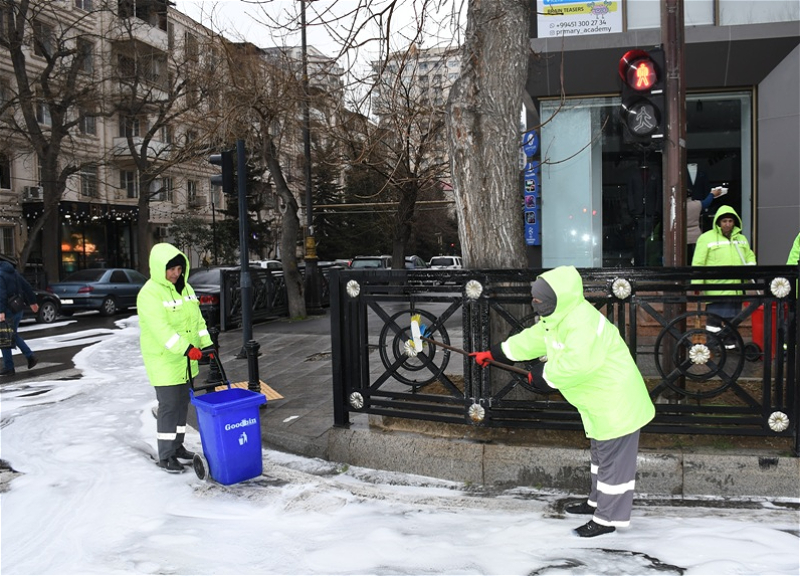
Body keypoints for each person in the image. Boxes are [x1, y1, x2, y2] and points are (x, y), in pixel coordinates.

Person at [469, 265, 655, 538]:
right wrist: (496, 352)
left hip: (617, 401)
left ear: (559, 298)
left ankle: (608, 519)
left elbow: (577, 364)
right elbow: (534, 339)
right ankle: (596, 501)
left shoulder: (582, 323)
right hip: (599, 401)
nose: (536, 304)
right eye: (534, 298)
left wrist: (544, 376)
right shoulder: (557, 317)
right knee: (601, 457)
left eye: (540, 300)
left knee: (614, 463)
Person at [138, 243, 213, 473]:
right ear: (160, 268)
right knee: (169, 407)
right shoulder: (149, 293)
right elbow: (162, 331)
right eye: (171, 269)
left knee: (182, 405)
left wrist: (207, 343)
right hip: (165, 361)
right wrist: (186, 348)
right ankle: (166, 455)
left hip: (185, 361)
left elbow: (198, 321)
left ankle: (178, 447)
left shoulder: (186, 289)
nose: (176, 274)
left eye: (179, 269)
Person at [691, 205, 756, 348]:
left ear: (735, 222)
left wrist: (750, 267)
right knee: (714, 319)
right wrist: (696, 283)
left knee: (733, 319)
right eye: (724, 221)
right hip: (716, 288)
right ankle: (714, 344)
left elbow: (749, 255)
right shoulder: (706, 238)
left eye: (730, 221)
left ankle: (729, 345)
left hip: (736, 288)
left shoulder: (741, 238)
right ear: (718, 222)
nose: (727, 224)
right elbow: (698, 262)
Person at [0, 260, 39, 376]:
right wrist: (33, 302)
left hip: (7, 310)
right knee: (11, 335)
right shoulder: (14, 272)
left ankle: (10, 367)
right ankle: (29, 356)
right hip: (17, 308)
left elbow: (1, 294)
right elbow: (26, 286)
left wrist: (1, 311)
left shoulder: (0, 274)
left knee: (5, 338)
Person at [687, 184, 725, 263]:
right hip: (695, 235)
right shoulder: (697, 204)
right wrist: (712, 194)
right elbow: (706, 202)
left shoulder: (676, 206)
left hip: (682, 236)